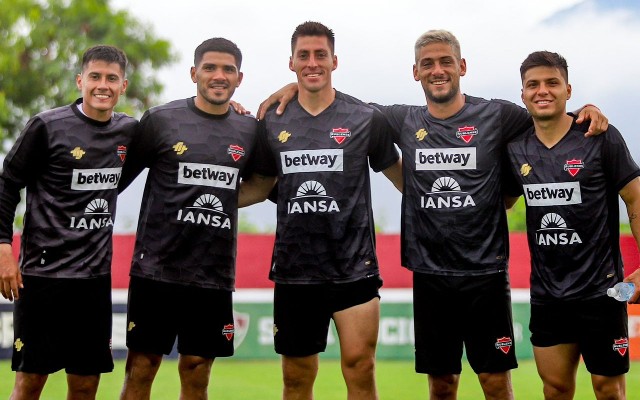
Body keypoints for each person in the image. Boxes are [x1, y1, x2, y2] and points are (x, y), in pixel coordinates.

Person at [258, 30, 608, 400]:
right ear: (415, 72)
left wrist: (585, 110)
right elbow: (335, 104)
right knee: (441, 386)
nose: (437, 70)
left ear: (462, 66)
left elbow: (548, 115)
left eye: (445, 62)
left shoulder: (498, 115)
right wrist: (296, 85)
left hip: (485, 275)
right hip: (429, 276)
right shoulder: (400, 120)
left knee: (494, 382)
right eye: (428, 64)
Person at [239, 21, 402, 400]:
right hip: (296, 270)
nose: (313, 63)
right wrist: (197, 197)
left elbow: (403, 180)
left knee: (360, 370)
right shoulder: (272, 120)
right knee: (296, 380)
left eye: (320, 55)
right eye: (304, 56)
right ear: (292, 63)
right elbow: (260, 186)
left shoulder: (364, 118)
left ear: (334, 61)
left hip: (354, 269)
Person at [117, 38, 258, 400]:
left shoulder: (249, 129)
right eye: (210, 67)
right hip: (156, 270)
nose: (218, 75)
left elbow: (267, 180)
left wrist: (225, 201)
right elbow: (114, 181)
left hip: (212, 273)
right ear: (194, 72)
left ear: (239, 78)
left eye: (228, 69)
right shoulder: (161, 120)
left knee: (197, 370)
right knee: (142, 368)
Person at [503, 50, 640, 400]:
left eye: (552, 82)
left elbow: (635, 199)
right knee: (556, 389)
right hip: (548, 296)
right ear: (522, 94)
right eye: (532, 85)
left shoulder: (599, 135)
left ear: (568, 90)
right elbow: (500, 202)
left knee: (609, 390)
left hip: (604, 293)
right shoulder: (515, 149)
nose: (542, 90)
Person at [0, 45, 135, 399]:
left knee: (86, 384)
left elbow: (184, 127)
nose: (102, 85)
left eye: (111, 78)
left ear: (123, 86)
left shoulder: (130, 133)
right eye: (95, 77)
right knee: (30, 383)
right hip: (42, 277)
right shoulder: (46, 126)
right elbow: (6, 184)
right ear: (80, 81)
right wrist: (3, 250)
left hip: (93, 281)